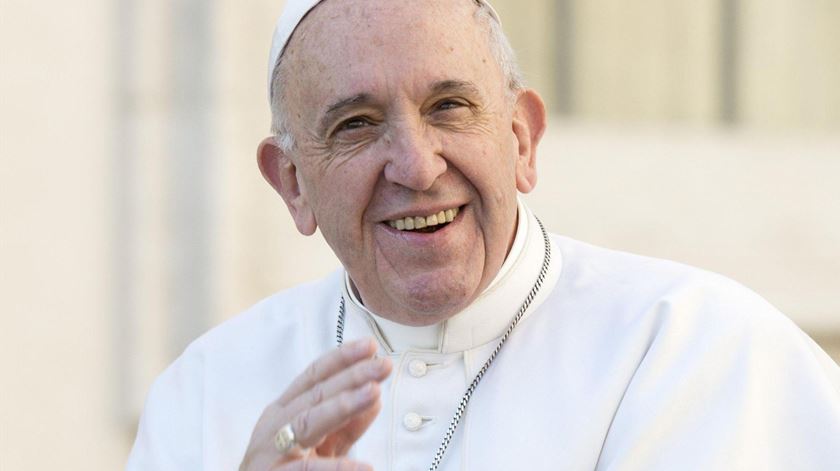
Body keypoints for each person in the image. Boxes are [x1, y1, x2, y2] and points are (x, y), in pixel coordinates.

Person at [126, 0, 840, 470]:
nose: (415, 164)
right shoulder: (203, 395)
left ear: (522, 138)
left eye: (449, 107)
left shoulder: (704, 351)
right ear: (291, 184)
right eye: (356, 124)